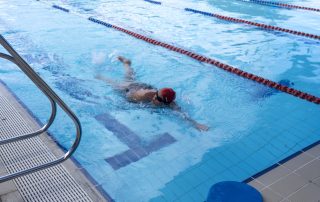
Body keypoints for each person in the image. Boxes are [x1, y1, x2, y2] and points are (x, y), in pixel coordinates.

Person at [95, 56, 209, 131]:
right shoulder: (143, 96)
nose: (155, 98)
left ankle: (127, 64)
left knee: (130, 77)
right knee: (119, 83)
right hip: (133, 90)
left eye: (158, 99)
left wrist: (196, 124)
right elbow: (127, 98)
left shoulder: (170, 103)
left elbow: (182, 114)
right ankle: (102, 75)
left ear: (165, 102)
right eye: (156, 96)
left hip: (144, 88)